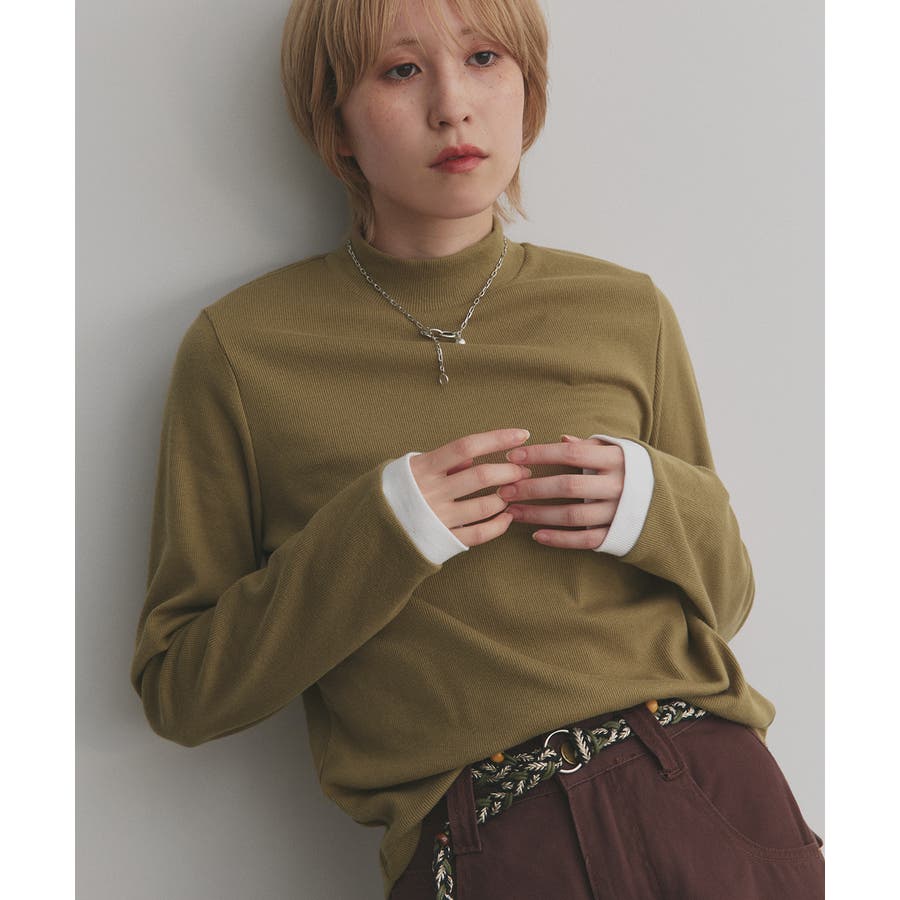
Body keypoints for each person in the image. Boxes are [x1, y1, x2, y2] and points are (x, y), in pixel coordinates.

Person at [129, 0, 825, 898]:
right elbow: (182, 691)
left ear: (528, 89)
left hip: (707, 791)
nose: (453, 105)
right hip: (482, 843)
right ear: (334, 122)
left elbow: (726, 599)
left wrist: (657, 503)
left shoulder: (625, 310)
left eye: (486, 58)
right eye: (400, 70)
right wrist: (379, 535)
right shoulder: (241, 354)